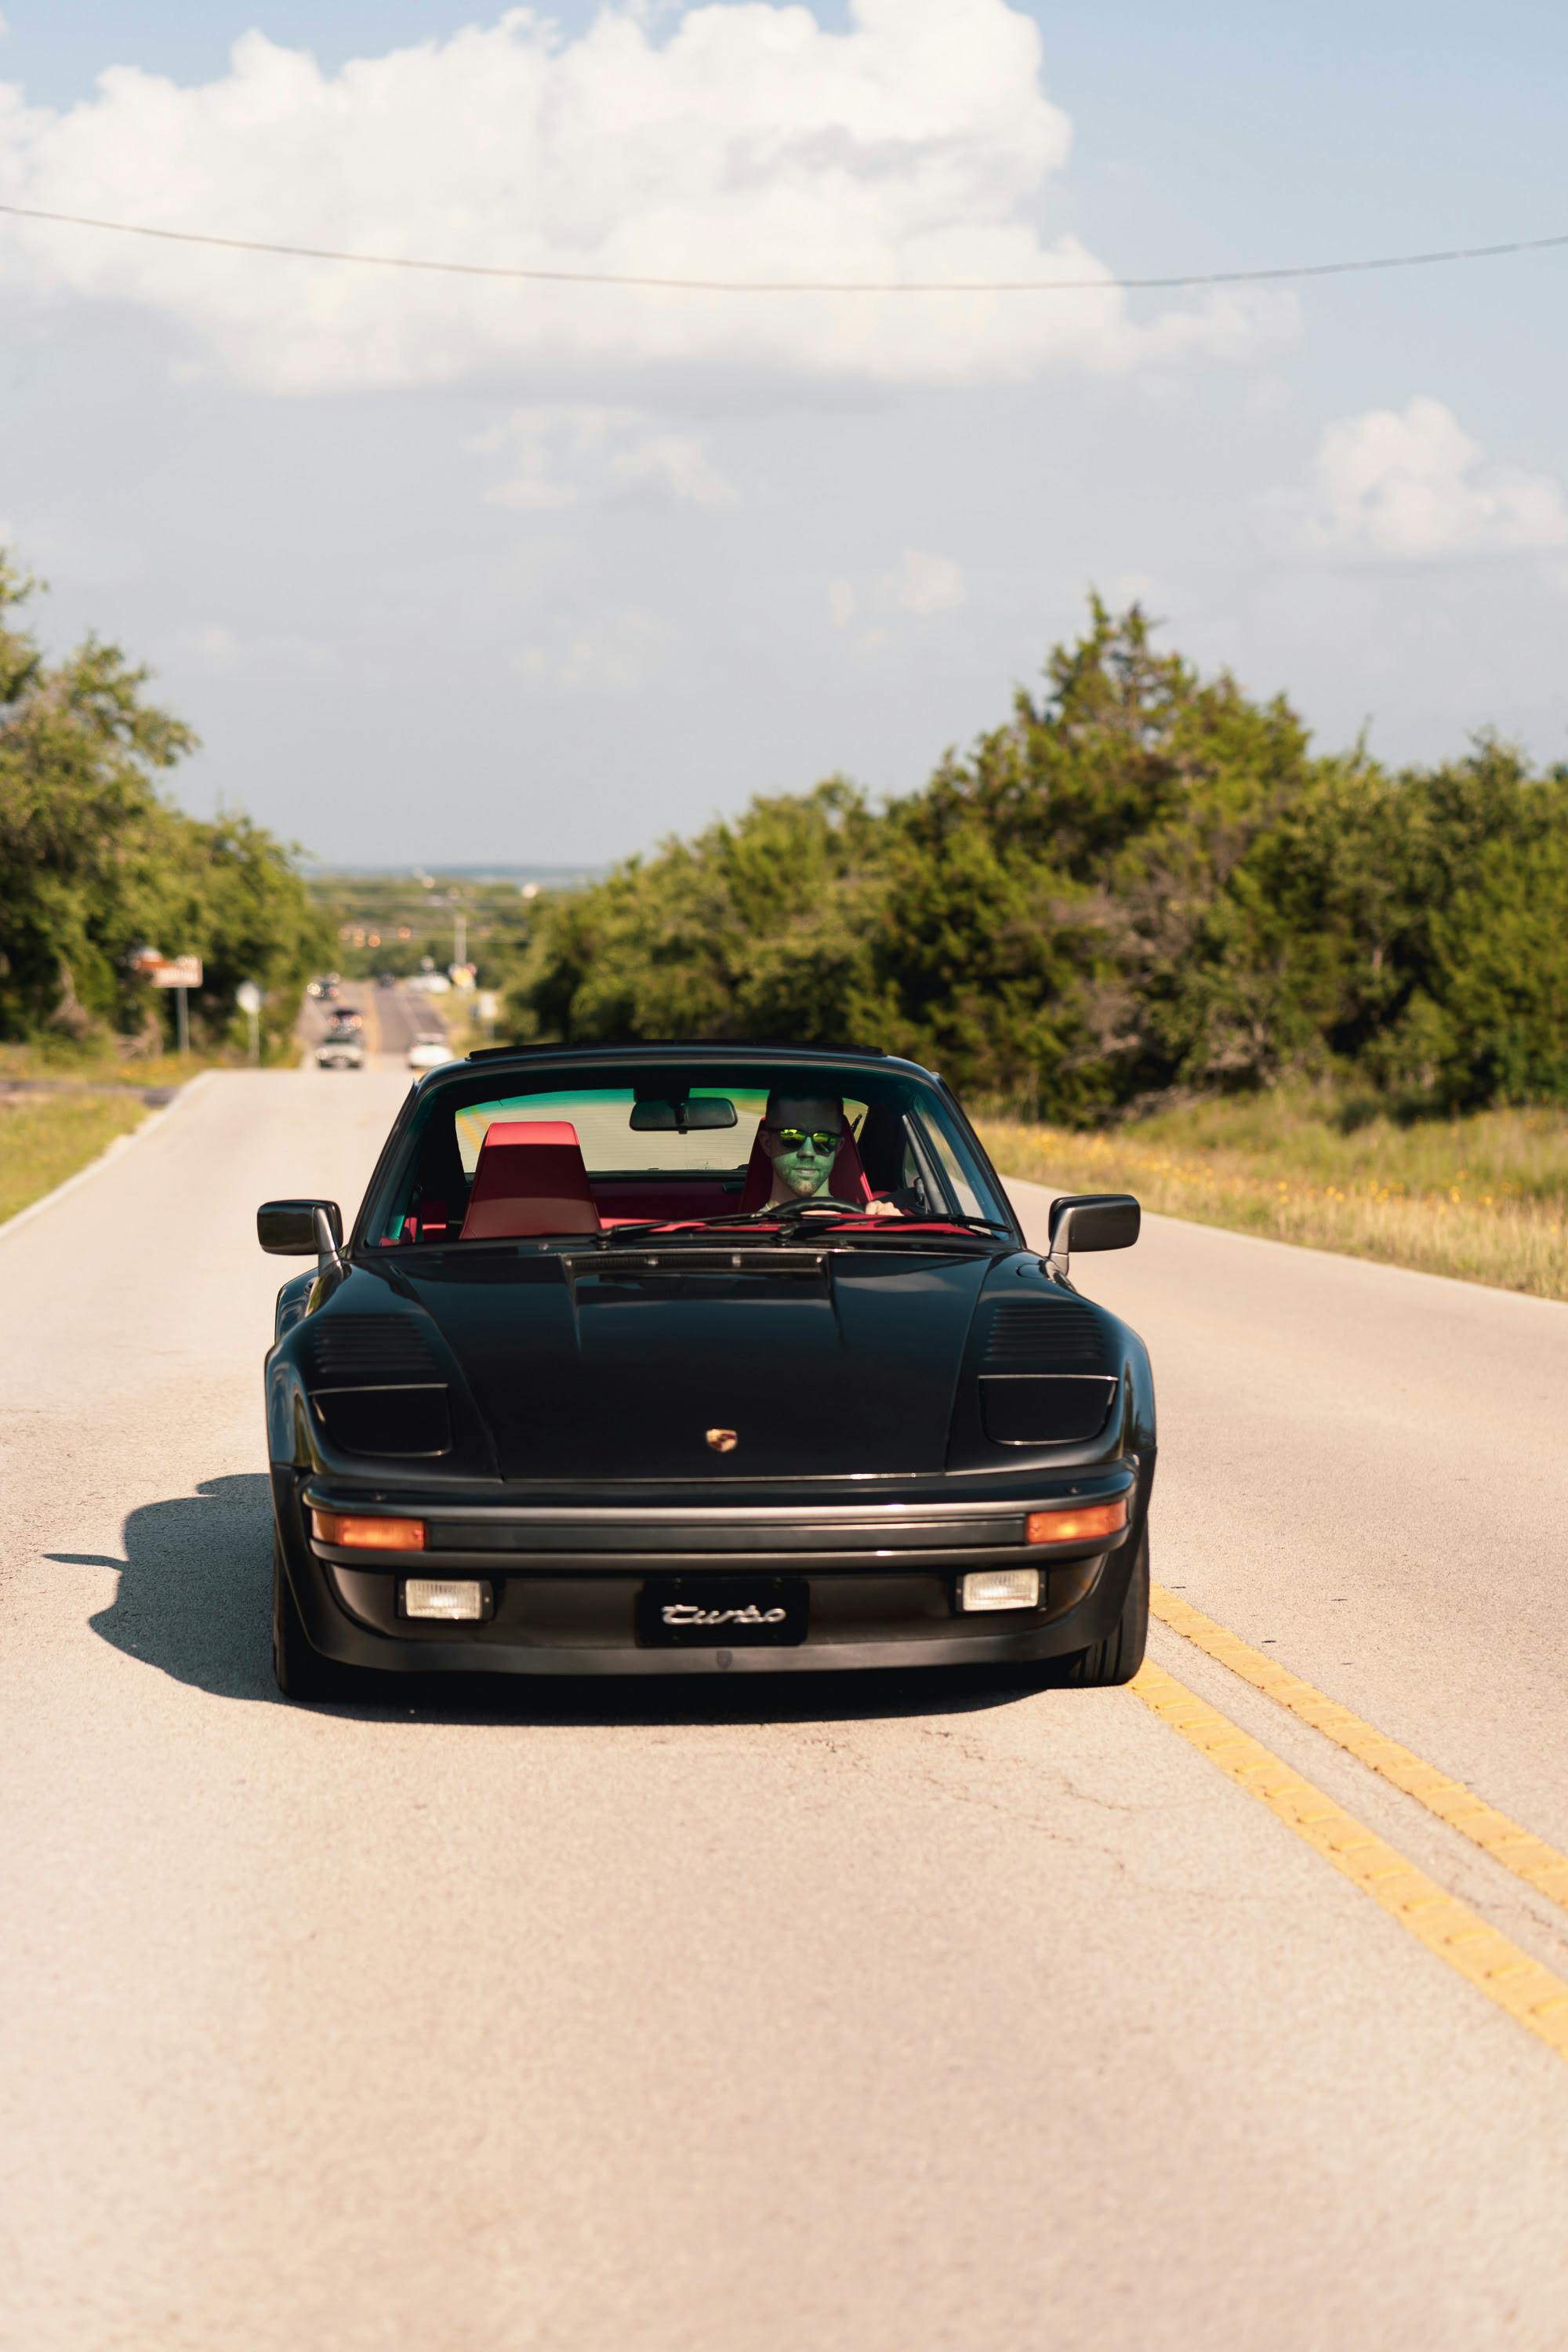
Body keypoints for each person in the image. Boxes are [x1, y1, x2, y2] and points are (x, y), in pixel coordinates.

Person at [757, 1091, 899, 1214]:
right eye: (792, 1136)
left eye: (824, 1139)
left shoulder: (871, 1229)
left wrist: (895, 1234)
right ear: (767, 1143)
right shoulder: (740, 1236)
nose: (808, 1152)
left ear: (838, 1147)